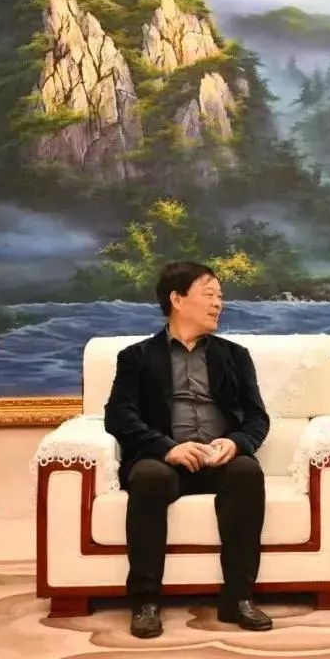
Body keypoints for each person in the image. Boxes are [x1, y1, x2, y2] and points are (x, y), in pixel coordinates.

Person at [104, 261, 272, 638]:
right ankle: (146, 602)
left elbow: (257, 417)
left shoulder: (235, 355)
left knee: (247, 471)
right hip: (163, 460)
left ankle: (239, 598)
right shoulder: (136, 357)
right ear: (177, 300)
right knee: (147, 477)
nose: (218, 304)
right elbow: (119, 417)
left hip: (218, 459)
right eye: (208, 294)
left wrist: (236, 442)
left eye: (220, 296)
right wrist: (167, 448)